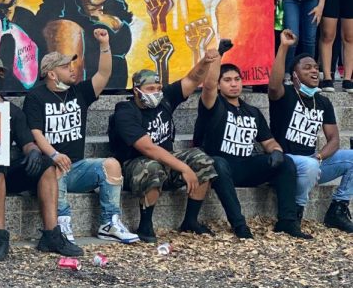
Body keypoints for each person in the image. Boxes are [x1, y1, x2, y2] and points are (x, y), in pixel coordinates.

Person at [109, 52, 256, 240]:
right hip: (133, 165)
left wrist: (206, 61)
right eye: (149, 89)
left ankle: (190, 221)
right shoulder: (125, 111)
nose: (155, 93)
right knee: (152, 167)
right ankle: (145, 225)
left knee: (203, 160)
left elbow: (193, 79)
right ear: (136, 91)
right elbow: (148, 149)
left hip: (167, 160)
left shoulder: (165, 99)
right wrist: (183, 168)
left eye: (158, 88)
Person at [0, 53, 83, 259]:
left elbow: (26, 142)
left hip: (5, 173)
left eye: (0, 73)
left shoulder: (13, 110)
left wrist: (34, 152)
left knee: (46, 164)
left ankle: (52, 234)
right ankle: (0, 236)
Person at [24, 32, 138, 244]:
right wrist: (54, 154)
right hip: (51, 170)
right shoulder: (36, 97)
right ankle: (62, 224)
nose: (72, 69)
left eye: (71, 65)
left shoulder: (79, 92)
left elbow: (103, 75)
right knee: (54, 167)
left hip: (78, 168)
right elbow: (35, 133)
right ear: (51, 74)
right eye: (65, 67)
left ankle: (109, 223)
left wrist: (105, 45)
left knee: (112, 165)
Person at [194, 55, 311, 239]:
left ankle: (288, 222)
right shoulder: (214, 105)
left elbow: (268, 141)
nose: (234, 84)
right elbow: (207, 87)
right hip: (221, 168)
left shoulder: (253, 111)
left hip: (246, 166)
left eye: (237, 79)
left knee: (286, 162)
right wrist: (217, 58)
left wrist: (276, 152)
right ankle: (240, 226)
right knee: (217, 163)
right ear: (218, 85)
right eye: (227, 80)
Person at [269, 30, 353, 232]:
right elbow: (273, 85)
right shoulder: (285, 94)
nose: (315, 71)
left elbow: (334, 139)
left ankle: (338, 209)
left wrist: (320, 155)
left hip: (311, 163)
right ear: (295, 75)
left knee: (347, 158)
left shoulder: (322, 101)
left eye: (316, 67)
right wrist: (283, 47)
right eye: (307, 68)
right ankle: (295, 212)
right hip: (286, 163)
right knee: (309, 165)